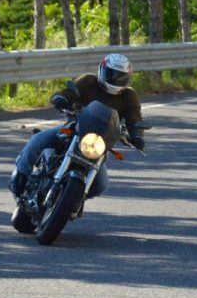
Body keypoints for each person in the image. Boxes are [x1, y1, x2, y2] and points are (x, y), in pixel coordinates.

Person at [9, 53, 146, 198]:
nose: (115, 79)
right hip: (74, 129)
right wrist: (62, 98)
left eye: (120, 77)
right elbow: (70, 92)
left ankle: (73, 200)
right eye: (111, 74)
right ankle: (20, 175)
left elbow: (134, 118)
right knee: (39, 139)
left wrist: (137, 136)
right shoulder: (89, 80)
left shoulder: (129, 96)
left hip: (100, 142)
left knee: (101, 185)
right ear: (102, 69)